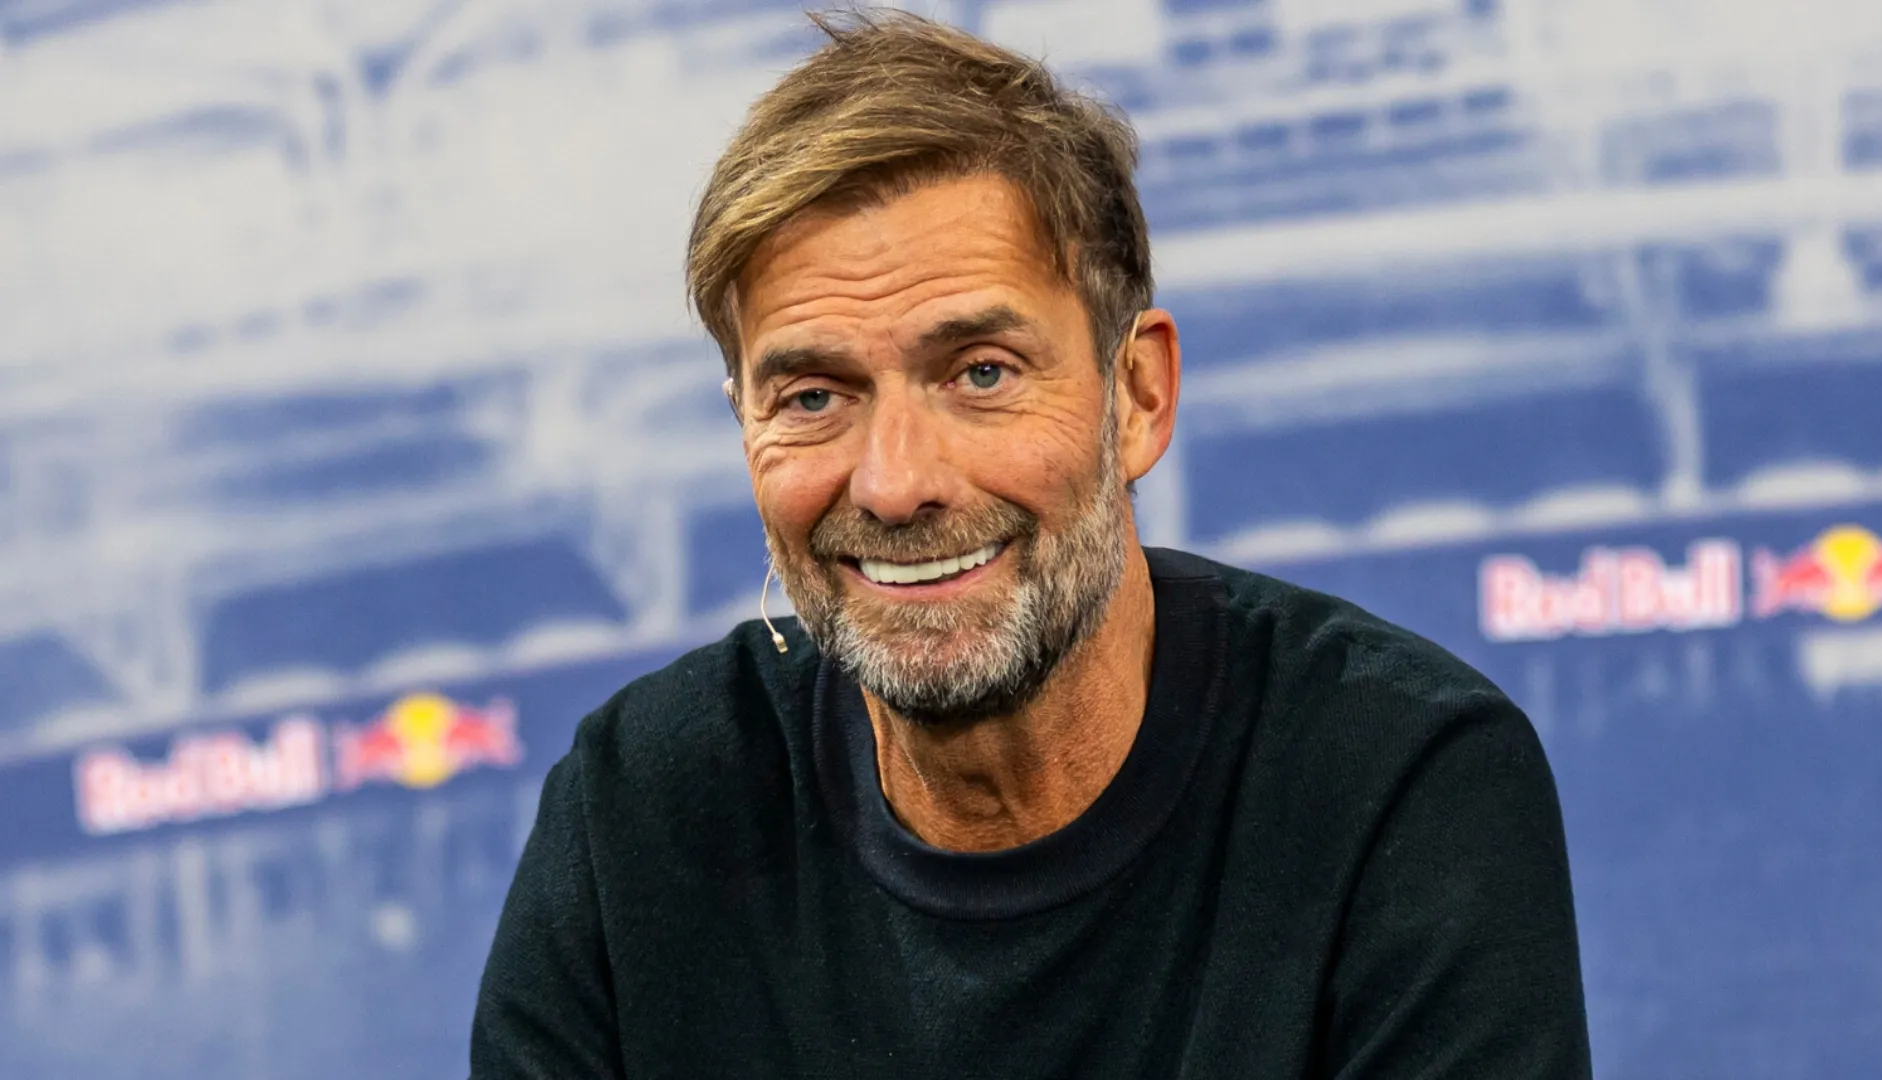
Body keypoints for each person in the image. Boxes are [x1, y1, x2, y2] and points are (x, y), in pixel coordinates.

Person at [470, 10, 1591, 1078]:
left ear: (1138, 394)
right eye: (813, 396)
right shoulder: (634, 819)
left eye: (982, 375)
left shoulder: (1401, 787)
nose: (898, 482)